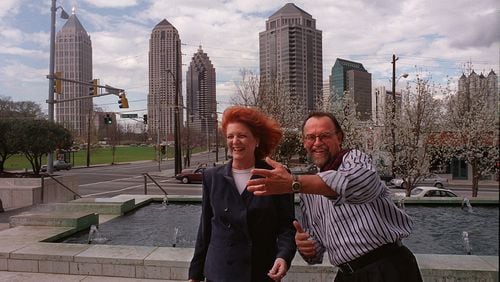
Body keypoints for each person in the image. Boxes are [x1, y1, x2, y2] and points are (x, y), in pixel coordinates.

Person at [247, 112, 423, 282]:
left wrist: (294, 182)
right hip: (347, 273)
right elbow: (315, 251)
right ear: (304, 142)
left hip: (385, 267)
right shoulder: (308, 189)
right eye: (311, 137)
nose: (317, 142)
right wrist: (306, 246)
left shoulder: (354, 159)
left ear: (339, 138)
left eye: (324, 136)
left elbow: (359, 185)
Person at [188, 106, 296, 282]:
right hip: (219, 273)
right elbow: (205, 229)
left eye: (242, 136)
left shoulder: (275, 176)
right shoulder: (212, 177)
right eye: (230, 136)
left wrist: (283, 256)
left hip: (260, 273)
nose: (235, 141)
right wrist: (195, 274)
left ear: (257, 140)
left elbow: (286, 227)